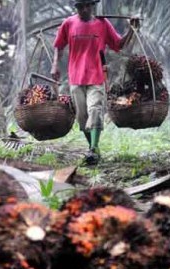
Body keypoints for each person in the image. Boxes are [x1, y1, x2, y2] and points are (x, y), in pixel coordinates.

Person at [51, 0, 140, 165]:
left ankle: (93, 148)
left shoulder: (102, 23)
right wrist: (55, 65)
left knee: (95, 110)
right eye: (80, 7)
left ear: (93, 6)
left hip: (96, 76)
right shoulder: (68, 23)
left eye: (87, 6)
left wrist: (131, 30)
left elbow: (119, 45)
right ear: (75, 7)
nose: (83, 9)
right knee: (82, 117)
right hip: (76, 77)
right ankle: (92, 148)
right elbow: (58, 45)